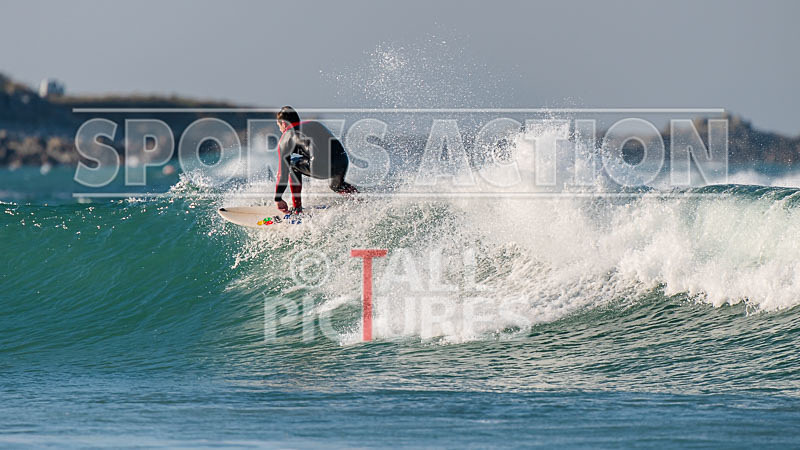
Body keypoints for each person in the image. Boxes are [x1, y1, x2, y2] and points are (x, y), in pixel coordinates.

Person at [274, 106, 357, 214]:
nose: (280, 129)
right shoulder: (314, 124)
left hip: (321, 166)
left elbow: (282, 174)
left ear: (284, 124)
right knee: (336, 186)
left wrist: (278, 198)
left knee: (291, 165)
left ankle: (297, 209)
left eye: (279, 125)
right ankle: (360, 200)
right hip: (342, 161)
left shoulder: (286, 137)